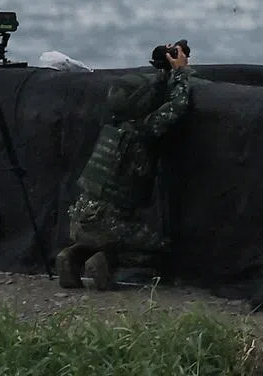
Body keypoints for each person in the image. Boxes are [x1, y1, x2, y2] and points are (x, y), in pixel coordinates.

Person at [56, 42, 193, 290]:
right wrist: (181, 72)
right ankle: (107, 260)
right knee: (162, 247)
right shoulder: (143, 131)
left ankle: (72, 256)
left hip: (79, 218)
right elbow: (178, 106)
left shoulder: (114, 127)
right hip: (109, 223)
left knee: (99, 233)